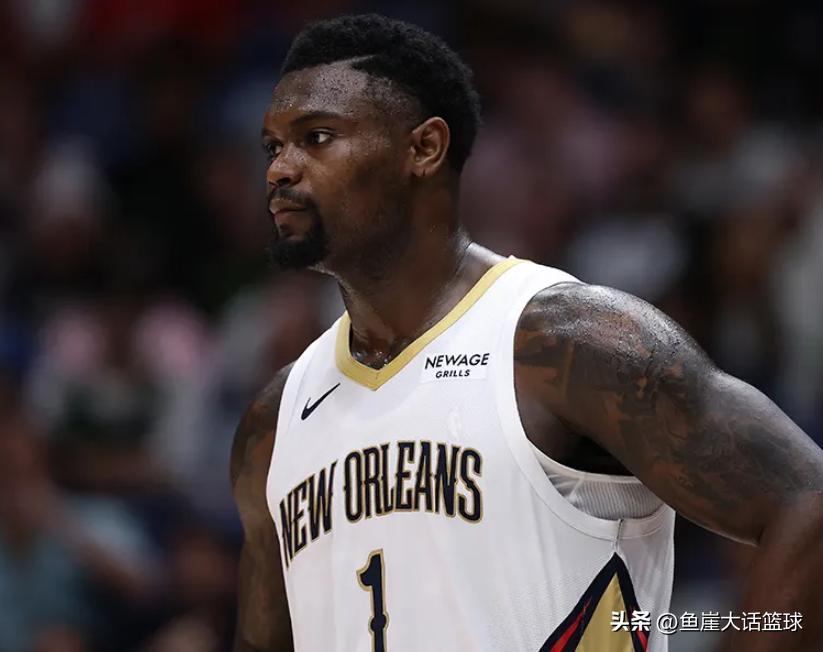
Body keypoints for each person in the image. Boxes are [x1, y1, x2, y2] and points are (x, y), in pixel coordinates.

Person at [230, 14, 823, 652]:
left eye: (316, 137)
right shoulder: (275, 420)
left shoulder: (565, 343)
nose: (280, 170)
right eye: (272, 147)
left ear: (424, 149)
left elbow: (808, 503)